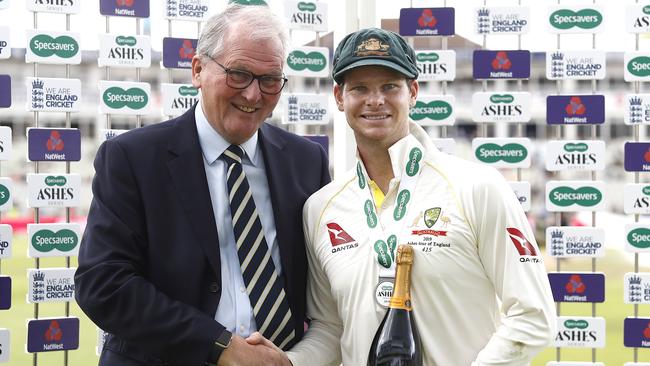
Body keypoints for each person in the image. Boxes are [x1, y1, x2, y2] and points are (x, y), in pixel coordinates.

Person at [74, 4, 330, 366]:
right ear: (197, 70)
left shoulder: (307, 162)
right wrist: (219, 345)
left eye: (270, 79)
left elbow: (326, 291)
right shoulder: (132, 158)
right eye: (239, 74)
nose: (254, 95)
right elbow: (104, 284)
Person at [285, 28, 556, 365]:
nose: (375, 100)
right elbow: (330, 328)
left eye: (389, 86)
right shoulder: (321, 209)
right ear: (339, 97)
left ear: (412, 92)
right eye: (359, 88)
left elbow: (533, 316)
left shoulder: (477, 187)